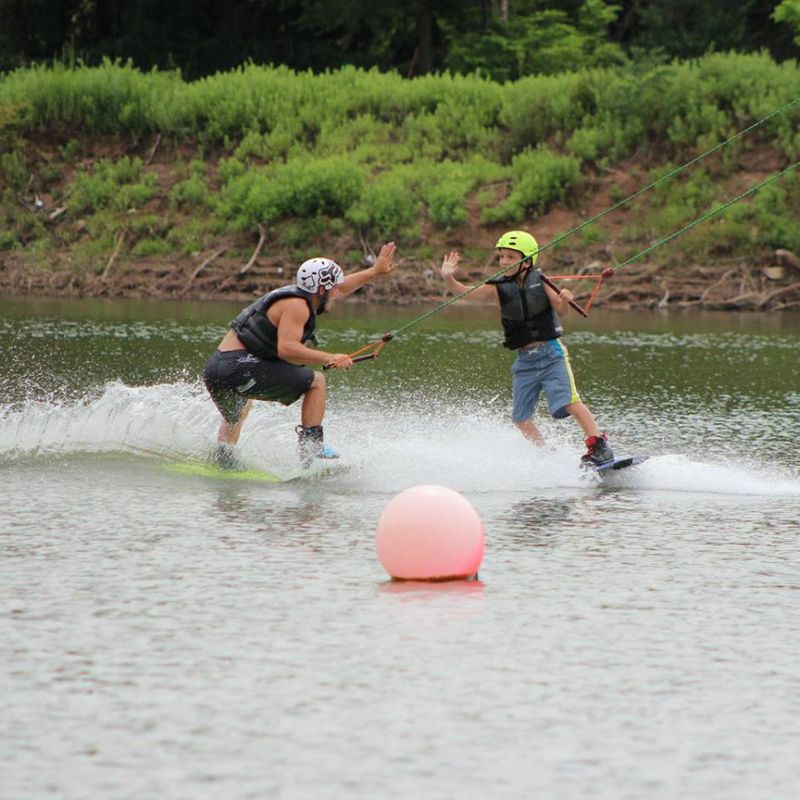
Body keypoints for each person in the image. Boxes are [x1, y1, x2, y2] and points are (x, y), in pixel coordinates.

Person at [204, 242, 397, 468]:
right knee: (317, 382)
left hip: (217, 368)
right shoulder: (298, 306)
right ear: (322, 290)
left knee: (238, 412)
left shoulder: (299, 295)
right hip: (237, 366)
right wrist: (330, 357)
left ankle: (223, 460)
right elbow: (286, 349)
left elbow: (341, 289)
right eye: (333, 288)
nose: (338, 292)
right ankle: (311, 448)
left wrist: (374, 272)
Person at [440, 230, 614, 466]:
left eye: (512, 257)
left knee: (570, 402)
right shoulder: (498, 286)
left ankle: (598, 445)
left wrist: (564, 298)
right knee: (521, 418)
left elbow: (562, 311)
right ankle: (548, 456)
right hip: (525, 361)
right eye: (502, 256)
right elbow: (466, 294)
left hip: (550, 354)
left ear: (528, 259)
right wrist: (449, 278)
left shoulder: (540, 281)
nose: (504, 262)